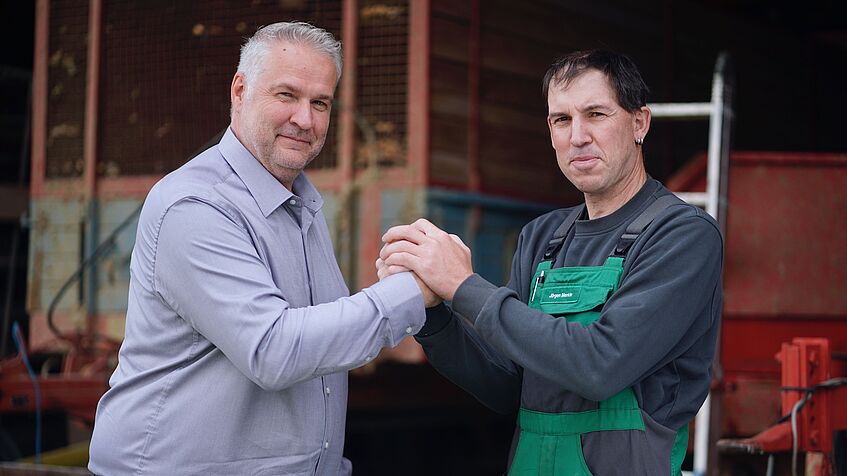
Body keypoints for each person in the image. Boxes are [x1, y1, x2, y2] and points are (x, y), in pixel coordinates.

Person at [89, 21, 436, 475]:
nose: (305, 119)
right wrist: (409, 292)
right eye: (286, 95)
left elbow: (322, 353)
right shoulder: (196, 205)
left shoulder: (301, 204)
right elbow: (273, 350)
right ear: (240, 91)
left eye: (320, 103)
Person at [378, 50, 723, 475]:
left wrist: (463, 286)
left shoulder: (682, 235)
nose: (578, 136)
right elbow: (506, 385)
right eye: (562, 119)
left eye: (595, 114)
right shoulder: (542, 238)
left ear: (639, 123)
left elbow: (601, 366)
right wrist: (432, 313)